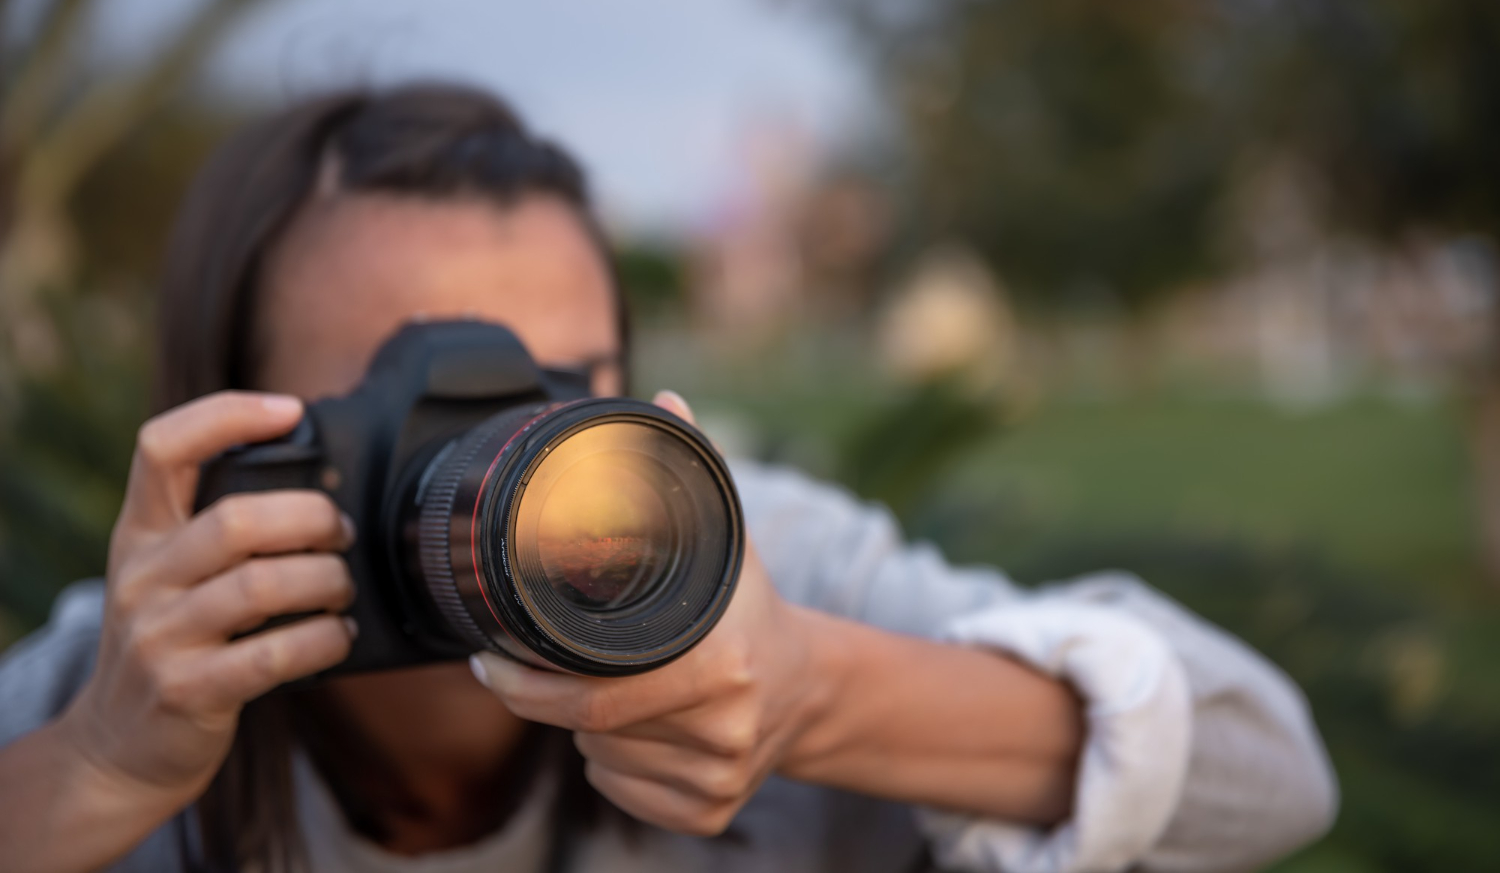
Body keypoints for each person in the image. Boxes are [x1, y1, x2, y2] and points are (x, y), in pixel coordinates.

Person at [0, 84, 1337, 873]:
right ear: (232, 437)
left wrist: (819, 694)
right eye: (404, 396)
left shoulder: (737, 567)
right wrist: (86, 777)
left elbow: (1273, 777)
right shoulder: (133, 679)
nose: (512, 451)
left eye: (562, 386)